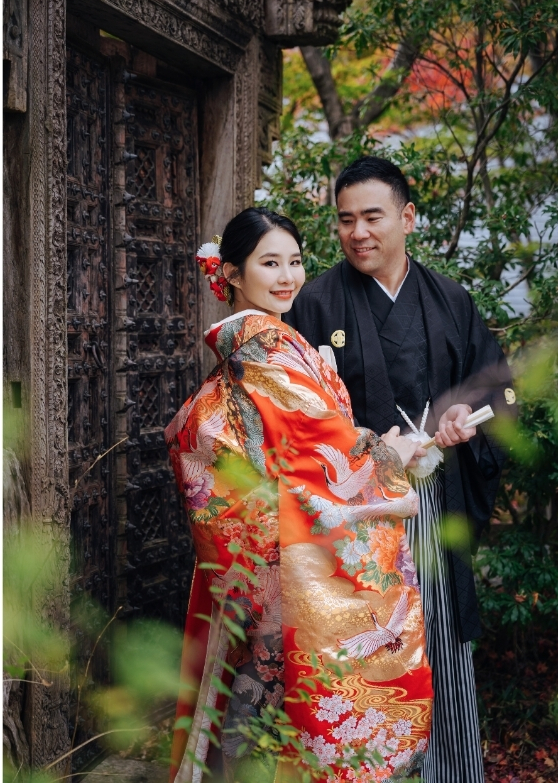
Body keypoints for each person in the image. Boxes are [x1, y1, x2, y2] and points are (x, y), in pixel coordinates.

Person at [167, 208, 433, 782]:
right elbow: (322, 448)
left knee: (254, 696)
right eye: (269, 263)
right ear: (233, 273)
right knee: (284, 697)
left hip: (263, 550)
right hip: (284, 560)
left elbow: (307, 439)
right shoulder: (263, 345)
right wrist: (388, 452)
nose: (287, 276)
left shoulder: (266, 345)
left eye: (294, 261)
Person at [285, 157, 514, 782]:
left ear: (407, 218)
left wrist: (471, 413)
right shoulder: (314, 303)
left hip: (432, 505)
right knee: (363, 649)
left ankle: (454, 772)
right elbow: (296, 417)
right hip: (355, 514)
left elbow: (504, 390)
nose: (358, 232)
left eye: (373, 217)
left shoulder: (449, 299)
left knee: (439, 642)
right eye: (345, 220)